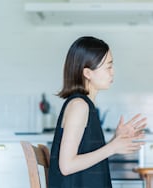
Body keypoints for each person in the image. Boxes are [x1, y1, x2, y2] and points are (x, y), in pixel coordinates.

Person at [48, 36, 147, 188]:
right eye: (108, 66)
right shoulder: (79, 106)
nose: (112, 72)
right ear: (87, 73)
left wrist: (115, 140)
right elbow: (66, 166)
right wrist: (112, 147)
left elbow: (83, 154)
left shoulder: (84, 105)